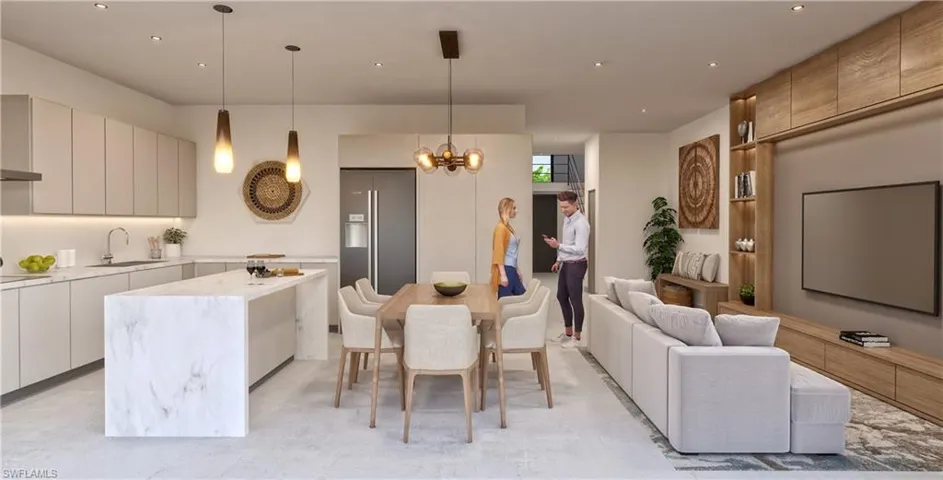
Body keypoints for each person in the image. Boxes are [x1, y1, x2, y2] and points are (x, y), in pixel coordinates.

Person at [544, 190, 590, 347]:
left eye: (566, 207)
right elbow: (567, 242)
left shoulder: (581, 224)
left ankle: (577, 338)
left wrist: (558, 245)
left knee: (576, 300)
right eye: (561, 207)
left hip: (577, 265)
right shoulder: (567, 219)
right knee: (561, 297)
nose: (563, 210)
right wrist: (558, 259)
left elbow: (579, 248)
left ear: (575, 204)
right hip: (566, 264)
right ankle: (568, 332)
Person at [490, 197, 525, 298]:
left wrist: (517, 269)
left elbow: (512, 252)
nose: (516, 211)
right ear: (507, 209)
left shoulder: (507, 228)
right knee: (505, 301)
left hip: (511, 268)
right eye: (514, 208)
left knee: (520, 297)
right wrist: (503, 275)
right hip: (506, 269)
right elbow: (498, 252)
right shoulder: (500, 228)